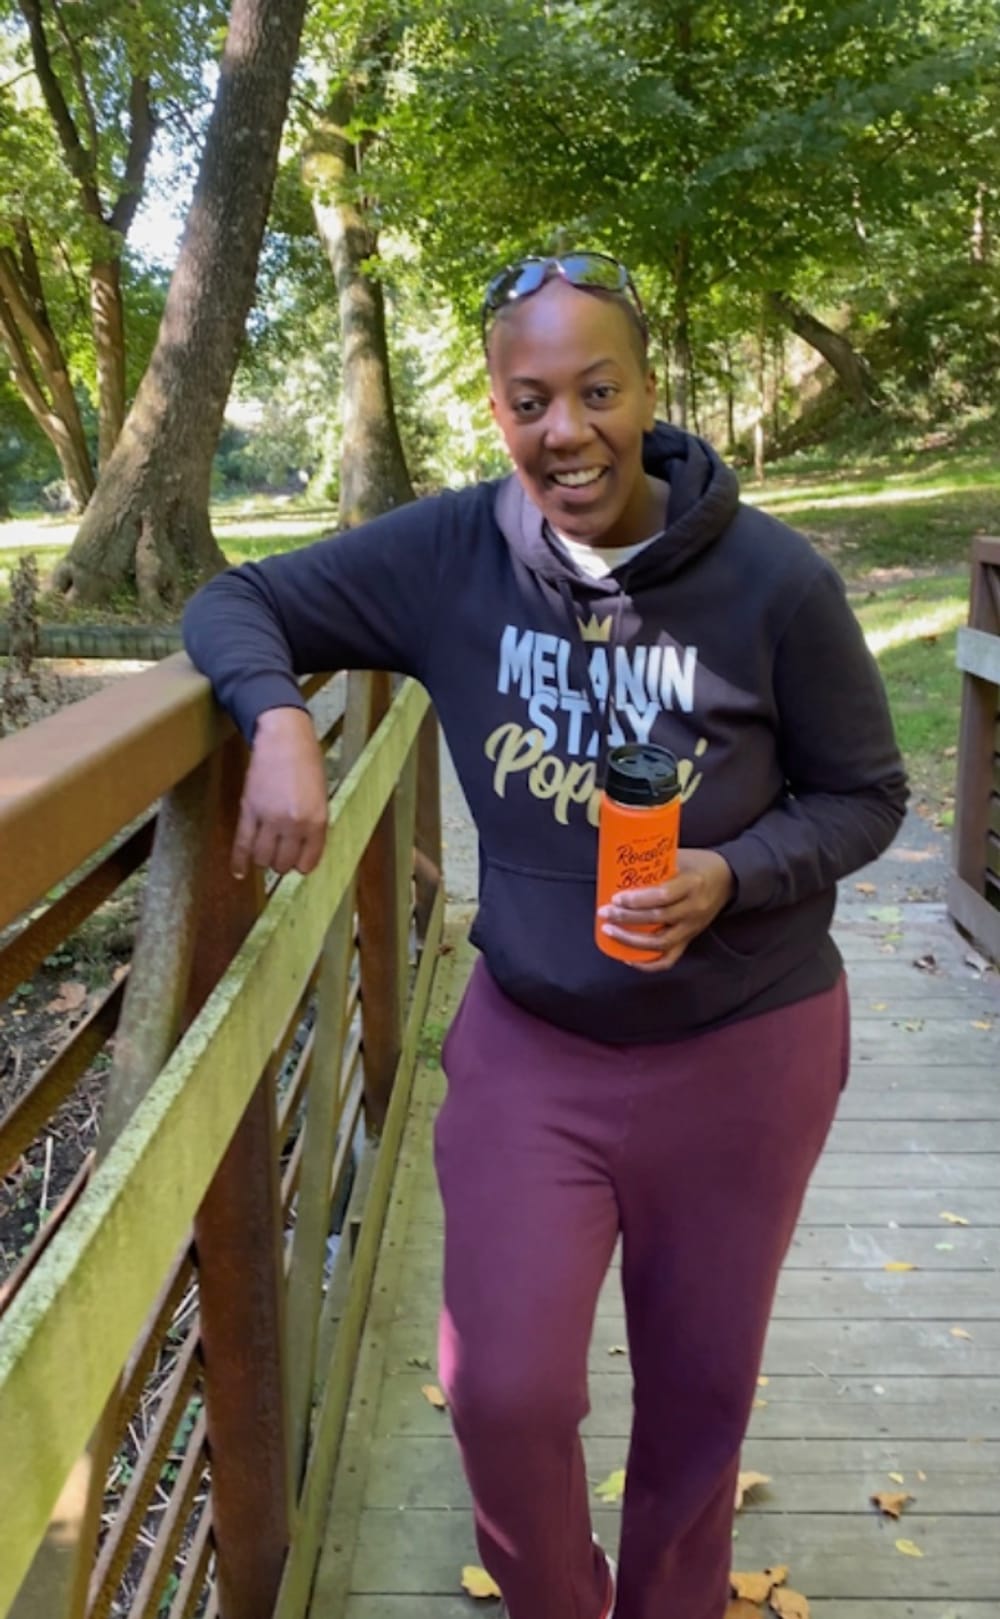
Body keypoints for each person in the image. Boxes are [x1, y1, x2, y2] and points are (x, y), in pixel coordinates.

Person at [183, 251, 907, 1619]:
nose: (566, 429)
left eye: (597, 390)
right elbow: (235, 600)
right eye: (531, 400)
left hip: (747, 1047)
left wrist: (731, 875)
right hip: (534, 1047)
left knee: (700, 1397)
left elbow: (867, 797)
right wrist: (277, 719)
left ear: (646, 393)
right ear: (499, 412)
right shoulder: (452, 553)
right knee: (500, 1389)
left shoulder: (773, 582)